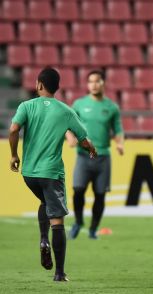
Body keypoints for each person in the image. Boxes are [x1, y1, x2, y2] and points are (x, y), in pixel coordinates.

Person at [8, 67, 97, 282]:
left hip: (29, 173)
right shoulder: (66, 111)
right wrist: (91, 149)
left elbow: (13, 129)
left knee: (44, 202)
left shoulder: (26, 106)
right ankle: (60, 273)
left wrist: (13, 155)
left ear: (39, 84)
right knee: (57, 221)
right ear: (57, 87)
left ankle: (42, 239)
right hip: (52, 173)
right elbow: (83, 138)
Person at [66, 70, 124, 240]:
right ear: (87, 84)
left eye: (97, 81)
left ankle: (93, 229)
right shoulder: (79, 104)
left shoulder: (111, 107)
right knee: (78, 190)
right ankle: (78, 222)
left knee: (100, 195)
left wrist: (120, 143)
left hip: (103, 157)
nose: (93, 84)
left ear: (103, 83)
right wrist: (70, 137)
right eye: (90, 81)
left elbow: (118, 130)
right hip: (83, 156)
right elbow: (68, 124)